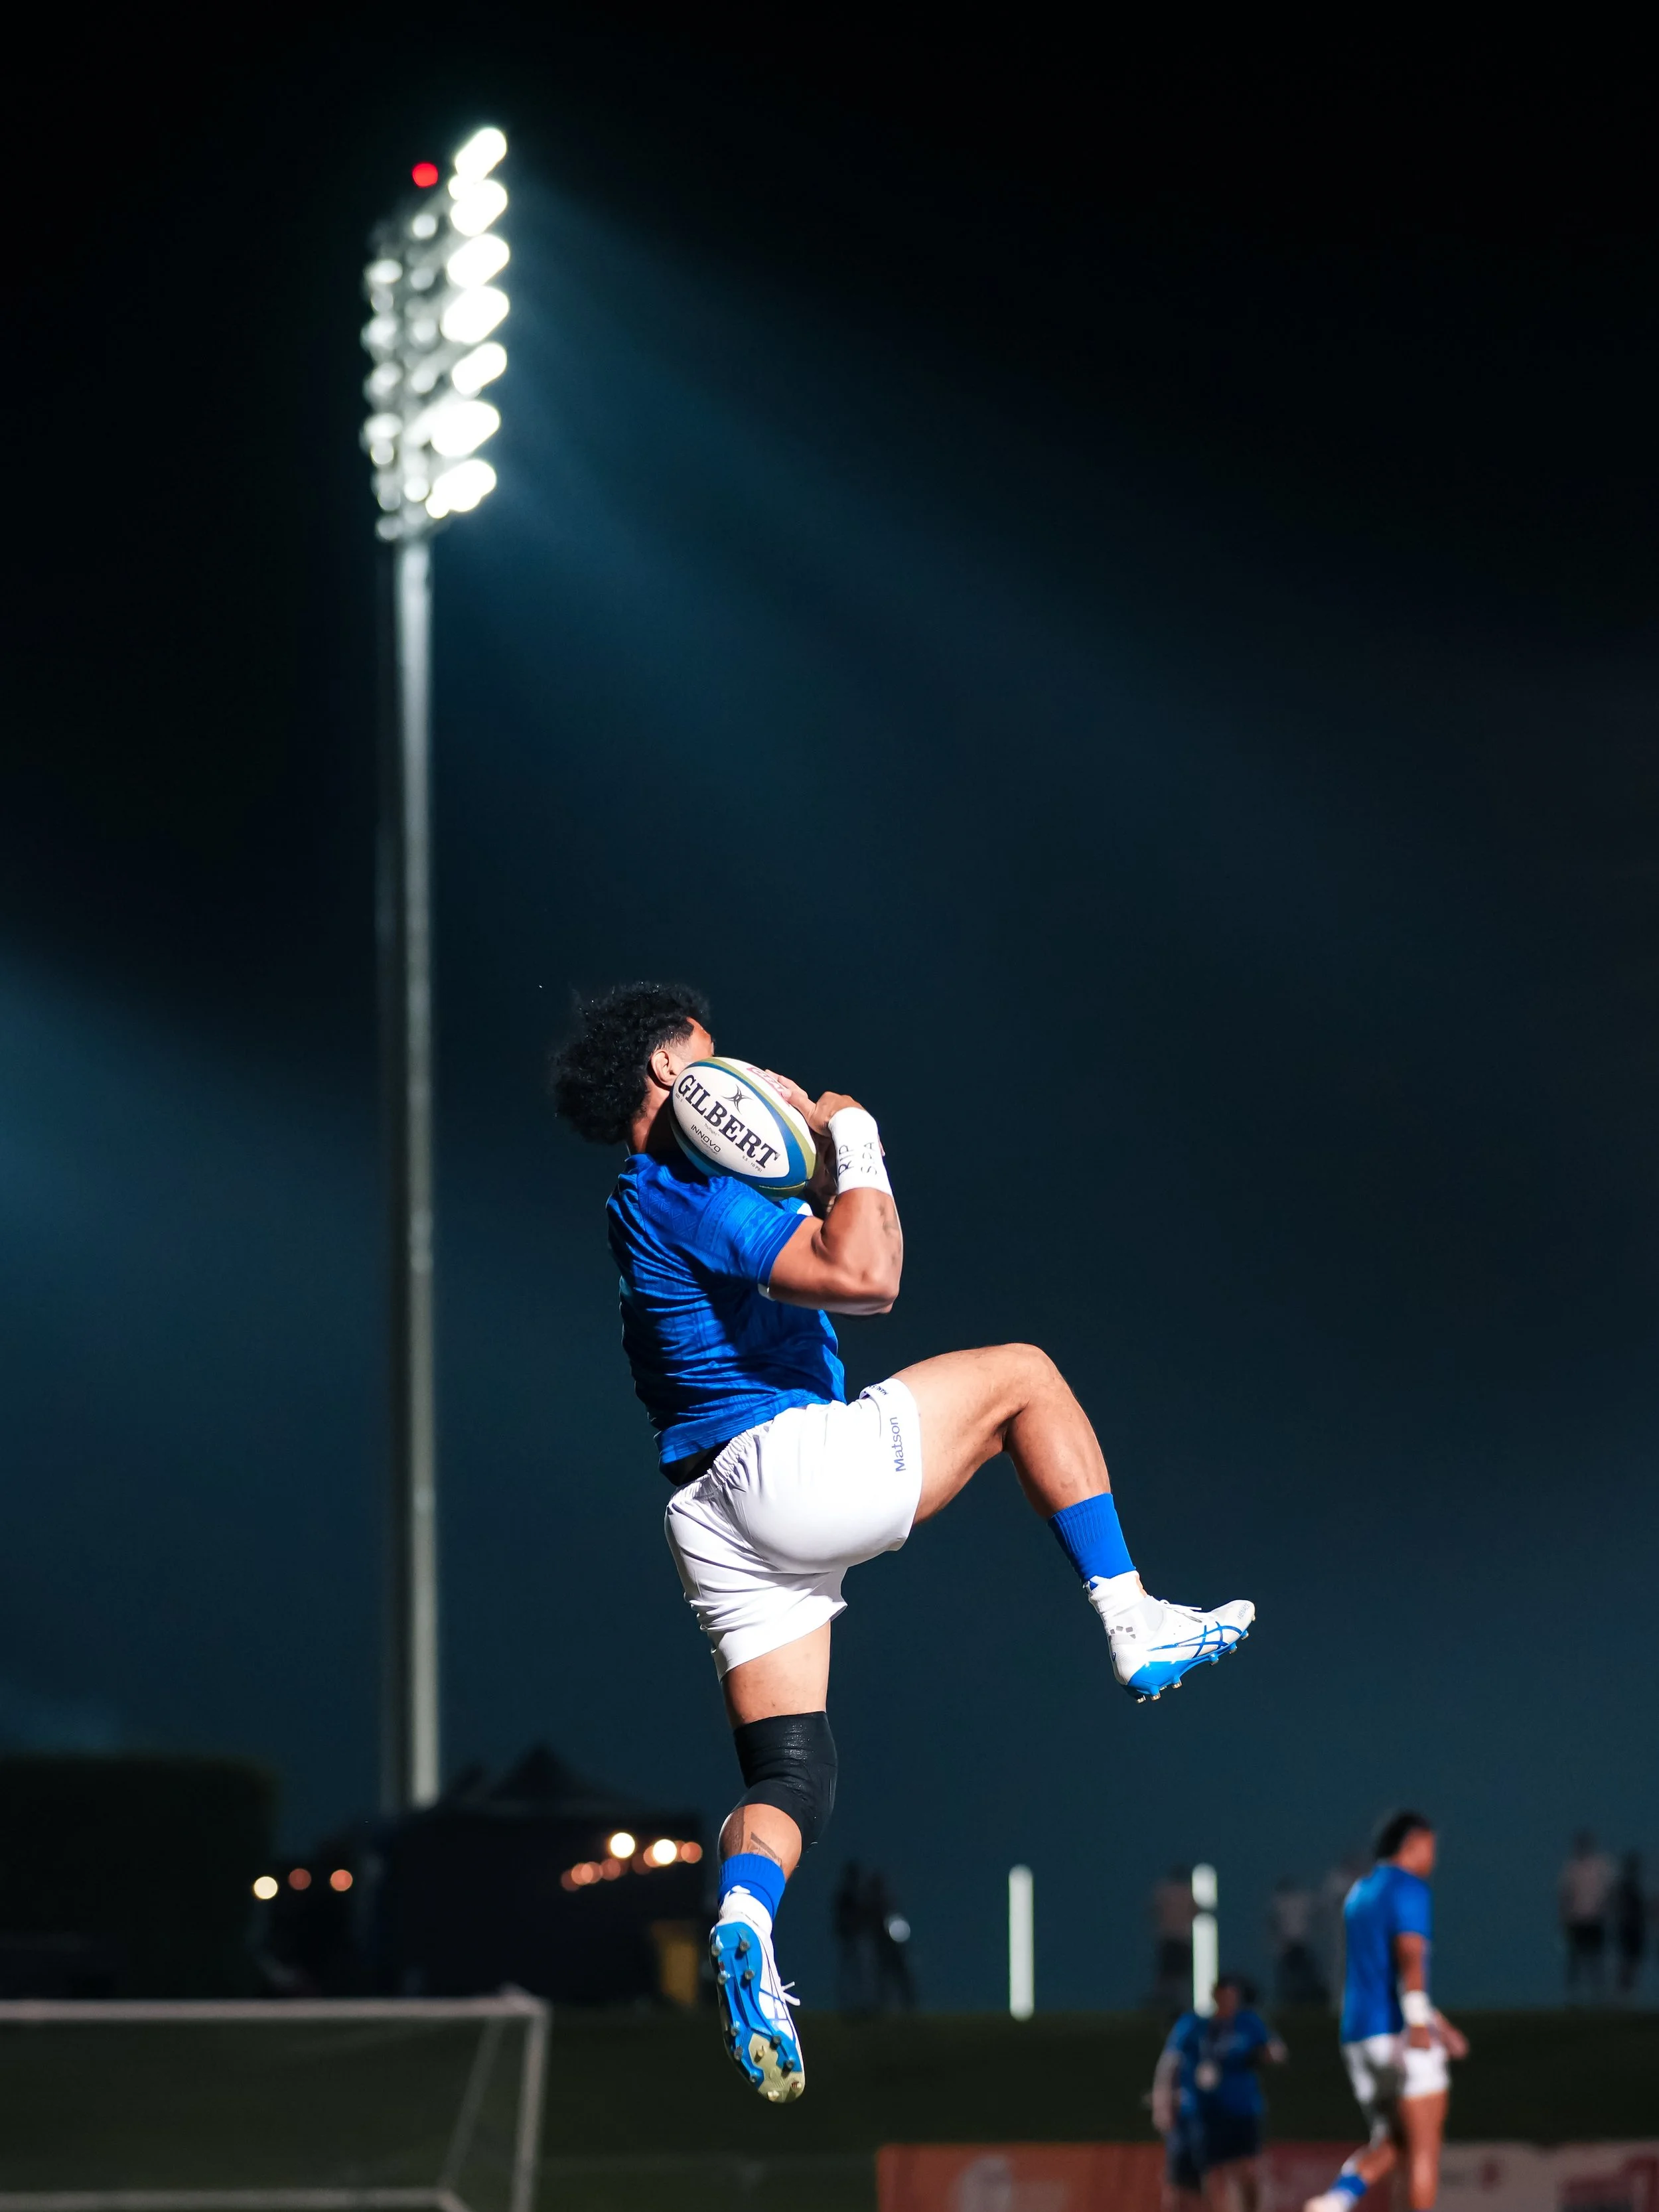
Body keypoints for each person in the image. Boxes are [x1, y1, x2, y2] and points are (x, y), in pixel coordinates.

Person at [549, 982, 1256, 2103]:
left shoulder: (643, 1195)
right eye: (716, 1058)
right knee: (1026, 1375)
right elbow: (867, 1274)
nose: (747, 1075)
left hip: (711, 1514)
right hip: (786, 1467)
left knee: (794, 1773)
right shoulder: (690, 1182)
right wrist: (855, 1128)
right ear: (668, 1080)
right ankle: (1133, 1618)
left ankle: (744, 1915)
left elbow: (826, 1228)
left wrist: (814, 1152)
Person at [1304, 1812, 1469, 2212]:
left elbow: (1379, 1971)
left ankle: (1336, 2201)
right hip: (1397, 2031)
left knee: (1396, 2141)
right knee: (1424, 2148)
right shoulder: (1408, 1888)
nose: (1434, 1856)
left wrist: (1439, 2023)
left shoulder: (1359, 1893)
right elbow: (1410, 1957)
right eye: (1430, 1846)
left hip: (1358, 2035)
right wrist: (1418, 2022)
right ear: (1412, 1844)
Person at [1153, 1972, 1286, 2212]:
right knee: (1209, 2174)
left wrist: (1261, 2056)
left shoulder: (1249, 2023)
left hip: (1242, 2110)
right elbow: (1169, 2064)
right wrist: (1162, 2104)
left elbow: (1276, 2051)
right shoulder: (1193, 2025)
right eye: (1223, 1995)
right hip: (1203, 2113)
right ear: (1215, 1996)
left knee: (1247, 2170)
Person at [1558, 1831, 1617, 2001]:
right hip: (1577, 1919)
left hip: (1596, 1919)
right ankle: (1574, 1996)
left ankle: (1598, 1994)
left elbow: (1611, 1891)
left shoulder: (1601, 1866)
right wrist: (1564, 1918)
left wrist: (1607, 1910)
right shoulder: (1571, 1868)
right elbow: (1564, 1894)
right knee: (1575, 1959)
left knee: (1596, 1958)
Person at [1269, 1878, 1327, 2006]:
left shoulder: (1289, 1901)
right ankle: (1290, 2002)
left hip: (1298, 1945)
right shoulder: (1288, 1901)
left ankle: (1303, 2001)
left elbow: (1274, 1924)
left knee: (1302, 1976)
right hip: (1290, 1946)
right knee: (1290, 1978)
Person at [1153, 1868, 1198, 2010]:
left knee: (1167, 1974)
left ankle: (1166, 2003)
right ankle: (1177, 2003)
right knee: (1179, 1974)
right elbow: (1197, 1910)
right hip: (1181, 1938)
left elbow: (1153, 1910)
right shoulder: (1186, 1892)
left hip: (1167, 1938)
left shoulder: (1164, 1891)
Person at [1611, 1852, 1647, 2000]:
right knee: (1628, 1961)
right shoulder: (1627, 1888)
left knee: (1631, 1962)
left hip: (1634, 1928)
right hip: (1629, 1928)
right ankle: (1624, 1991)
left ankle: (1626, 1991)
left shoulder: (1632, 1887)